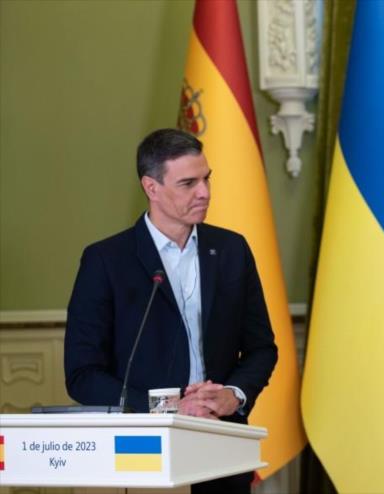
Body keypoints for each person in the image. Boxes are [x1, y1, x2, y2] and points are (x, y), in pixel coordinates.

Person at [65, 128, 278, 494]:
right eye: (188, 183)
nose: (205, 192)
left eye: (207, 179)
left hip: (222, 439)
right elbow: (83, 374)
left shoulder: (231, 250)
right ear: (151, 188)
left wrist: (234, 394)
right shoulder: (106, 260)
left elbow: (261, 348)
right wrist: (166, 407)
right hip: (142, 452)